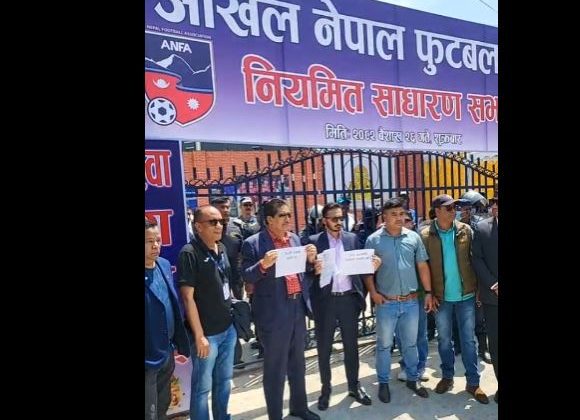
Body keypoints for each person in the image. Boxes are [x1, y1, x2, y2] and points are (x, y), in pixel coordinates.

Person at [241, 198, 320, 420]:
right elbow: (246, 275)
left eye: (289, 215)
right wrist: (263, 265)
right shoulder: (253, 243)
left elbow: (302, 273)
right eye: (282, 215)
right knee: (275, 368)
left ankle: (299, 407)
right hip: (273, 312)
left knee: (298, 363)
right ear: (269, 219)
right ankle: (275, 415)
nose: (287, 219)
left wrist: (311, 262)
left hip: (296, 307)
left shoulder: (294, 239)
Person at [306, 203, 379, 410]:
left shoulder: (352, 239)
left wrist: (372, 266)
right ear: (324, 221)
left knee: (351, 347)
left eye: (341, 218)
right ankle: (326, 390)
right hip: (326, 301)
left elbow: (359, 268)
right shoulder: (314, 242)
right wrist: (313, 268)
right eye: (334, 219)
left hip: (348, 300)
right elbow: (306, 273)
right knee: (324, 349)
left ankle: (354, 386)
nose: (339, 222)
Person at [419, 194, 489, 404]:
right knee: (443, 340)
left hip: (466, 295)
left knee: (468, 340)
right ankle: (447, 377)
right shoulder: (426, 235)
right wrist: (429, 293)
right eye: (449, 208)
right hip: (442, 298)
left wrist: (479, 287)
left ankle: (473, 382)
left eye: (454, 208)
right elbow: (423, 266)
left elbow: (475, 260)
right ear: (437, 211)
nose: (454, 212)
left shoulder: (465, 230)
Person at [364, 197, 434, 403]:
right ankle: (383, 382)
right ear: (384, 217)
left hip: (411, 302)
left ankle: (413, 378)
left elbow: (422, 266)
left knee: (411, 344)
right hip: (387, 302)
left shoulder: (413, 237)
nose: (399, 218)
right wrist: (373, 293)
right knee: (384, 345)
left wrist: (428, 292)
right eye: (393, 214)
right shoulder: (373, 240)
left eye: (401, 214)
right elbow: (366, 272)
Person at [177, 205, 238, 420]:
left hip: (227, 329)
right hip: (207, 335)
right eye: (213, 222)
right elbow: (187, 298)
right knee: (202, 389)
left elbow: (226, 283)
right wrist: (199, 335)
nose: (219, 225)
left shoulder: (221, 248)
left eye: (221, 221)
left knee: (224, 382)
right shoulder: (189, 253)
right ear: (198, 226)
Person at [145, 218, 190, 420]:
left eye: (158, 240)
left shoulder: (163, 265)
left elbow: (171, 304)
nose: (155, 245)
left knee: (162, 406)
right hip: (148, 357)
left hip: (166, 352)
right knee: (149, 411)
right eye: (149, 241)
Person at [471, 196, 499, 403]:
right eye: (494, 203)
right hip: (493, 297)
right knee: (496, 345)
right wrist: (493, 284)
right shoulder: (481, 229)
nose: (495, 206)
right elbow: (476, 259)